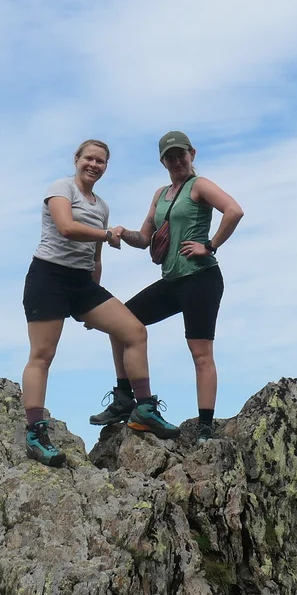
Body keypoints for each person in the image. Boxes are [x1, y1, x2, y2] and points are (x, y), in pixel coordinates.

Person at [22, 139, 181, 466]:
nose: (94, 165)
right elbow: (66, 228)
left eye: (101, 161)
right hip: (48, 279)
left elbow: (95, 260)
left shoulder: (101, 206)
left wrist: (93, 299)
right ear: (77, 159)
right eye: (89, 159)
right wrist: (107, 235)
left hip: (82, 284)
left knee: (134, 331)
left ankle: (143, 408)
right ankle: (36, 432)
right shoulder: (61, 188)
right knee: (42, 355)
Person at [91, 130, 245, 443]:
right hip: (171, 280)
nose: (176, 161)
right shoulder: (161, 195)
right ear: (163, 161)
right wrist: (122, 233)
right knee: (120, 324)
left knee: (200, 353)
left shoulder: (199, 185)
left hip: (201, 279)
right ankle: (124, 398)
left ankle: (204, 427)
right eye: (170, 156)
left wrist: (210, 245)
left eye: (181, 154)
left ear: (192, 154)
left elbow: (234, 210)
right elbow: (145, 238)